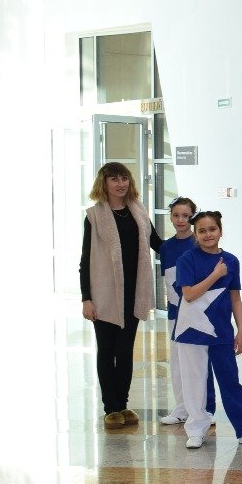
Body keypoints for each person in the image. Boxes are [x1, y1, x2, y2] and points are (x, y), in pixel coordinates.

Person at [80, 162, 161, 430]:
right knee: (107, 351)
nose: (121, 184)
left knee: (125, 352)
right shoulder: (94, 216)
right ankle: (110, 408)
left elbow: (157, 243)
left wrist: (189, 244)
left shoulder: (138, 211)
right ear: (104, 183)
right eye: (114, 179)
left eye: (124, 178)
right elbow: (85, 260)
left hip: (133, 293)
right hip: (103, 294)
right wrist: (86, 298)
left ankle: (123, 404)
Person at [172, 210, 242, 450]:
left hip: (221, 332)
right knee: (194, 382)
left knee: (230, 381)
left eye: (212, 229)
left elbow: (235, 298)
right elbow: (189, 294)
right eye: (202, 231)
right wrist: (215, 275)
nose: (208, 234)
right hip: (191, 333)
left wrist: (241, 330)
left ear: (221, 231)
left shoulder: (231, 261)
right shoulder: (187, 259)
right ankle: (196, 429)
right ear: (195, 234)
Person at [158, 196, 216, 425]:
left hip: (199, 313)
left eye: (186, 216)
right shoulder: (166, 247)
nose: (180, 220)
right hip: (175, 313)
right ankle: (182, 407)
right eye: (176, 215)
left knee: (201, 362)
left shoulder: (199, 244)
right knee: (178, 361)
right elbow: (168, 280)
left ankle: (206, 409)